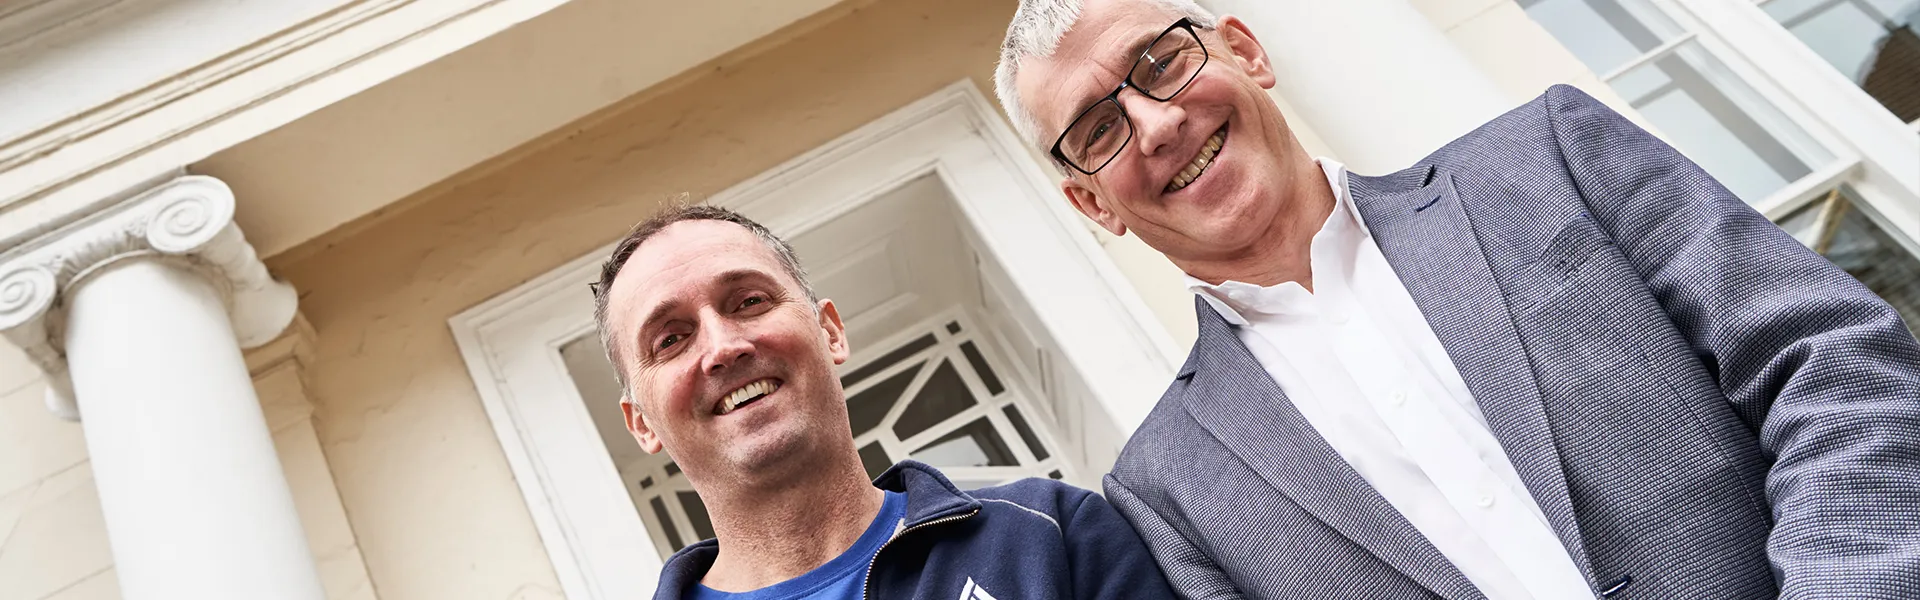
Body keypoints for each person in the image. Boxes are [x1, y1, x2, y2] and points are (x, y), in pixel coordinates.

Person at [993, 0, 1920, 598]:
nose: (1157, 125)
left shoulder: (1550, 157)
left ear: (1245, 50)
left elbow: (1835, 370)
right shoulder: (1163, 490)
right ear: (1092, 203)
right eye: (1100, 130)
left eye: (1161, 64)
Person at [588, 204, 1174, 600]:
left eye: (749, 302)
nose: (723, 347)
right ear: (642, 424)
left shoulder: (1049, 531)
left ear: (830, 332)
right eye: (670, 339)